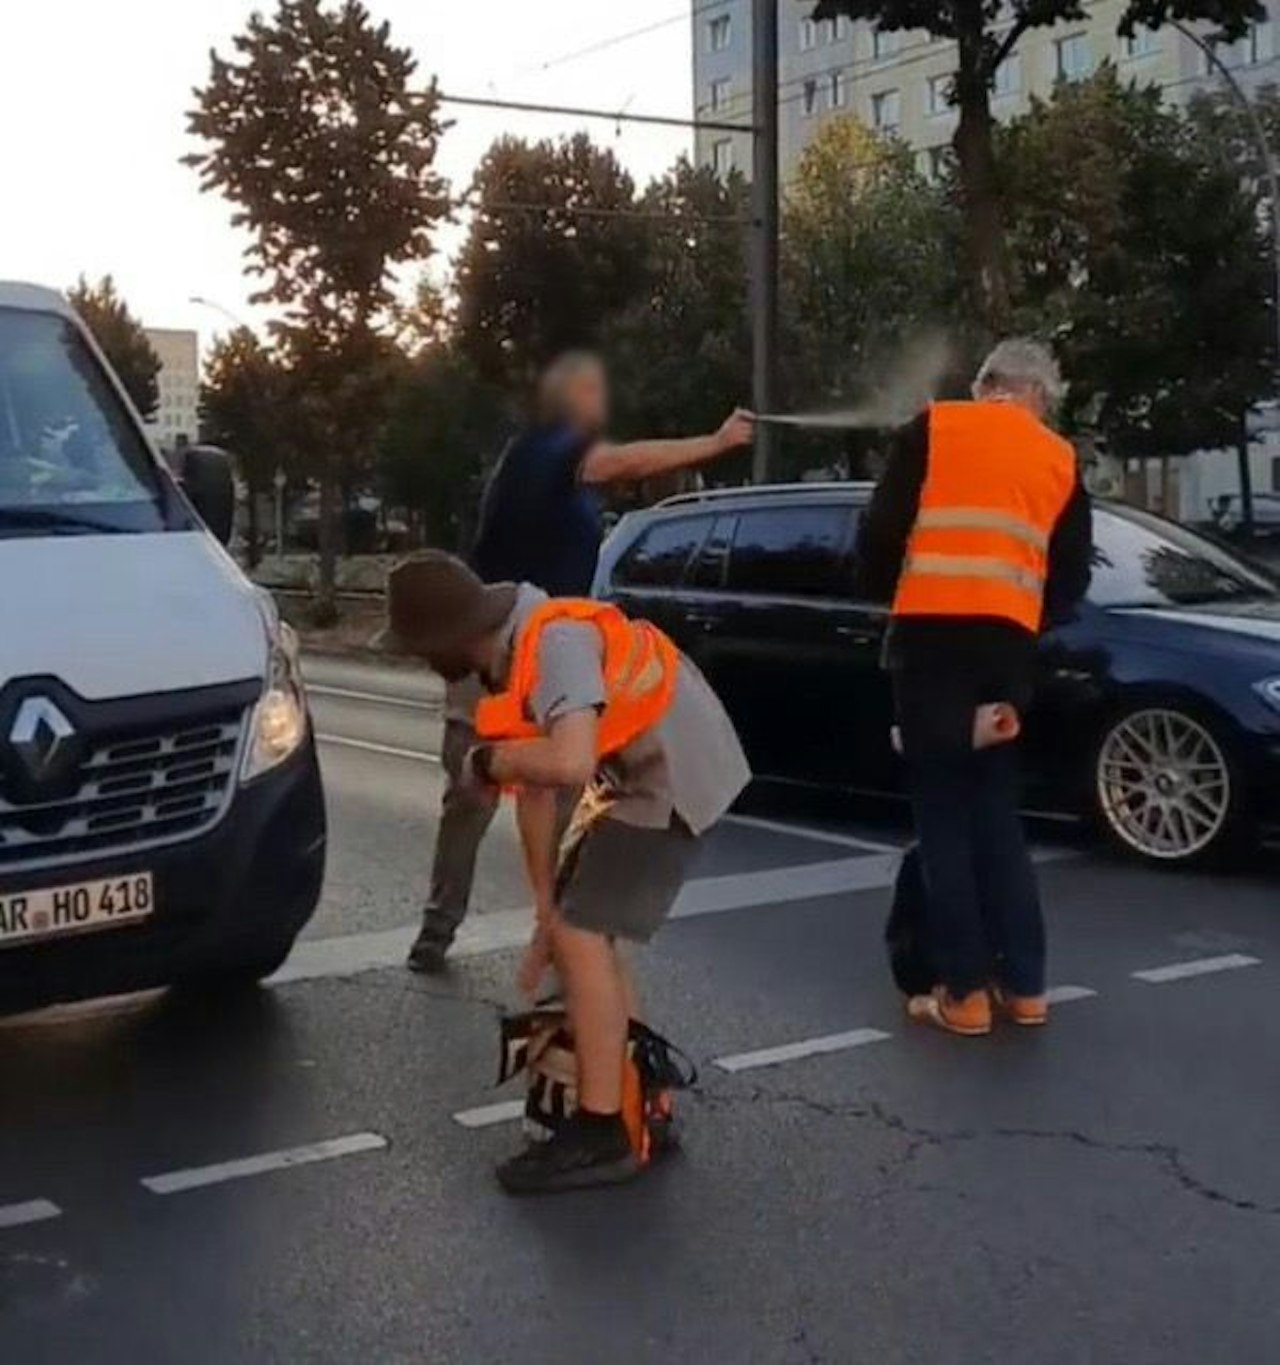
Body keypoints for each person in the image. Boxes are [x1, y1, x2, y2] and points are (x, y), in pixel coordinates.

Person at [387, 551, 751, 1193]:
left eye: (418, 651)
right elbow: (537, 795)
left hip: (672, 774)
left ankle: (602, 1130)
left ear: (443, 640)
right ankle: (641, 1100)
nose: (421, 664)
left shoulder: (554, 643)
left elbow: (569, 762)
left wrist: (490, 763)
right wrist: (545, 912)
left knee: (587, 937)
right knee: (585, 932)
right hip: (641, 777)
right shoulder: (509, 662)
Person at [407, 351, 753, 973]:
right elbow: (623, 461)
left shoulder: (564, 482)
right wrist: (717, 441)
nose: (600, 402)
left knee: (551, 790)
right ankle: (447, 927)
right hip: (490, 650)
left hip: (548, 656)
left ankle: (555, 925)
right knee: (475, 790)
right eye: (589, 390)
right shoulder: (541, 449)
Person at [855, 338, 1092, 1036]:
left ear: (987, 384)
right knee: (995, 813)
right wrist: (1025, 621)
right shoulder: (1059, 458)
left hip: (930, 648)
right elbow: (1072, 575)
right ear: (1037, 395)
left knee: (941, 816)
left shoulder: (935, 429)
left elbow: (879, 533)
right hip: (1006, 654)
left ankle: (963, 993)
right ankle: (1026, 986)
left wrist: (887, 596)